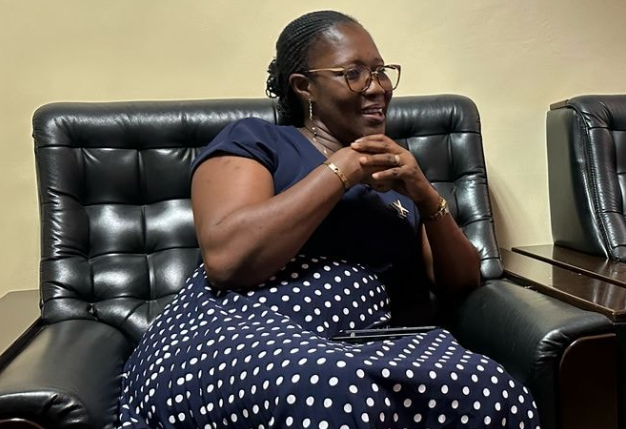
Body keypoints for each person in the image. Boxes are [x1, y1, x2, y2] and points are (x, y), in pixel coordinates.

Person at [117, 10, 540, 429]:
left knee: (493, 389)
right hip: (237, 328)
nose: (377, 87)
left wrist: (425, 194)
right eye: (354, 74)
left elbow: (461, 284)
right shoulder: (258, 140)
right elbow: (228, 260)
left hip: (359, 343)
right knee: (331, 390)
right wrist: (343, 169)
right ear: (304, 87)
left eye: (380, 71)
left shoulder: (396, 176)